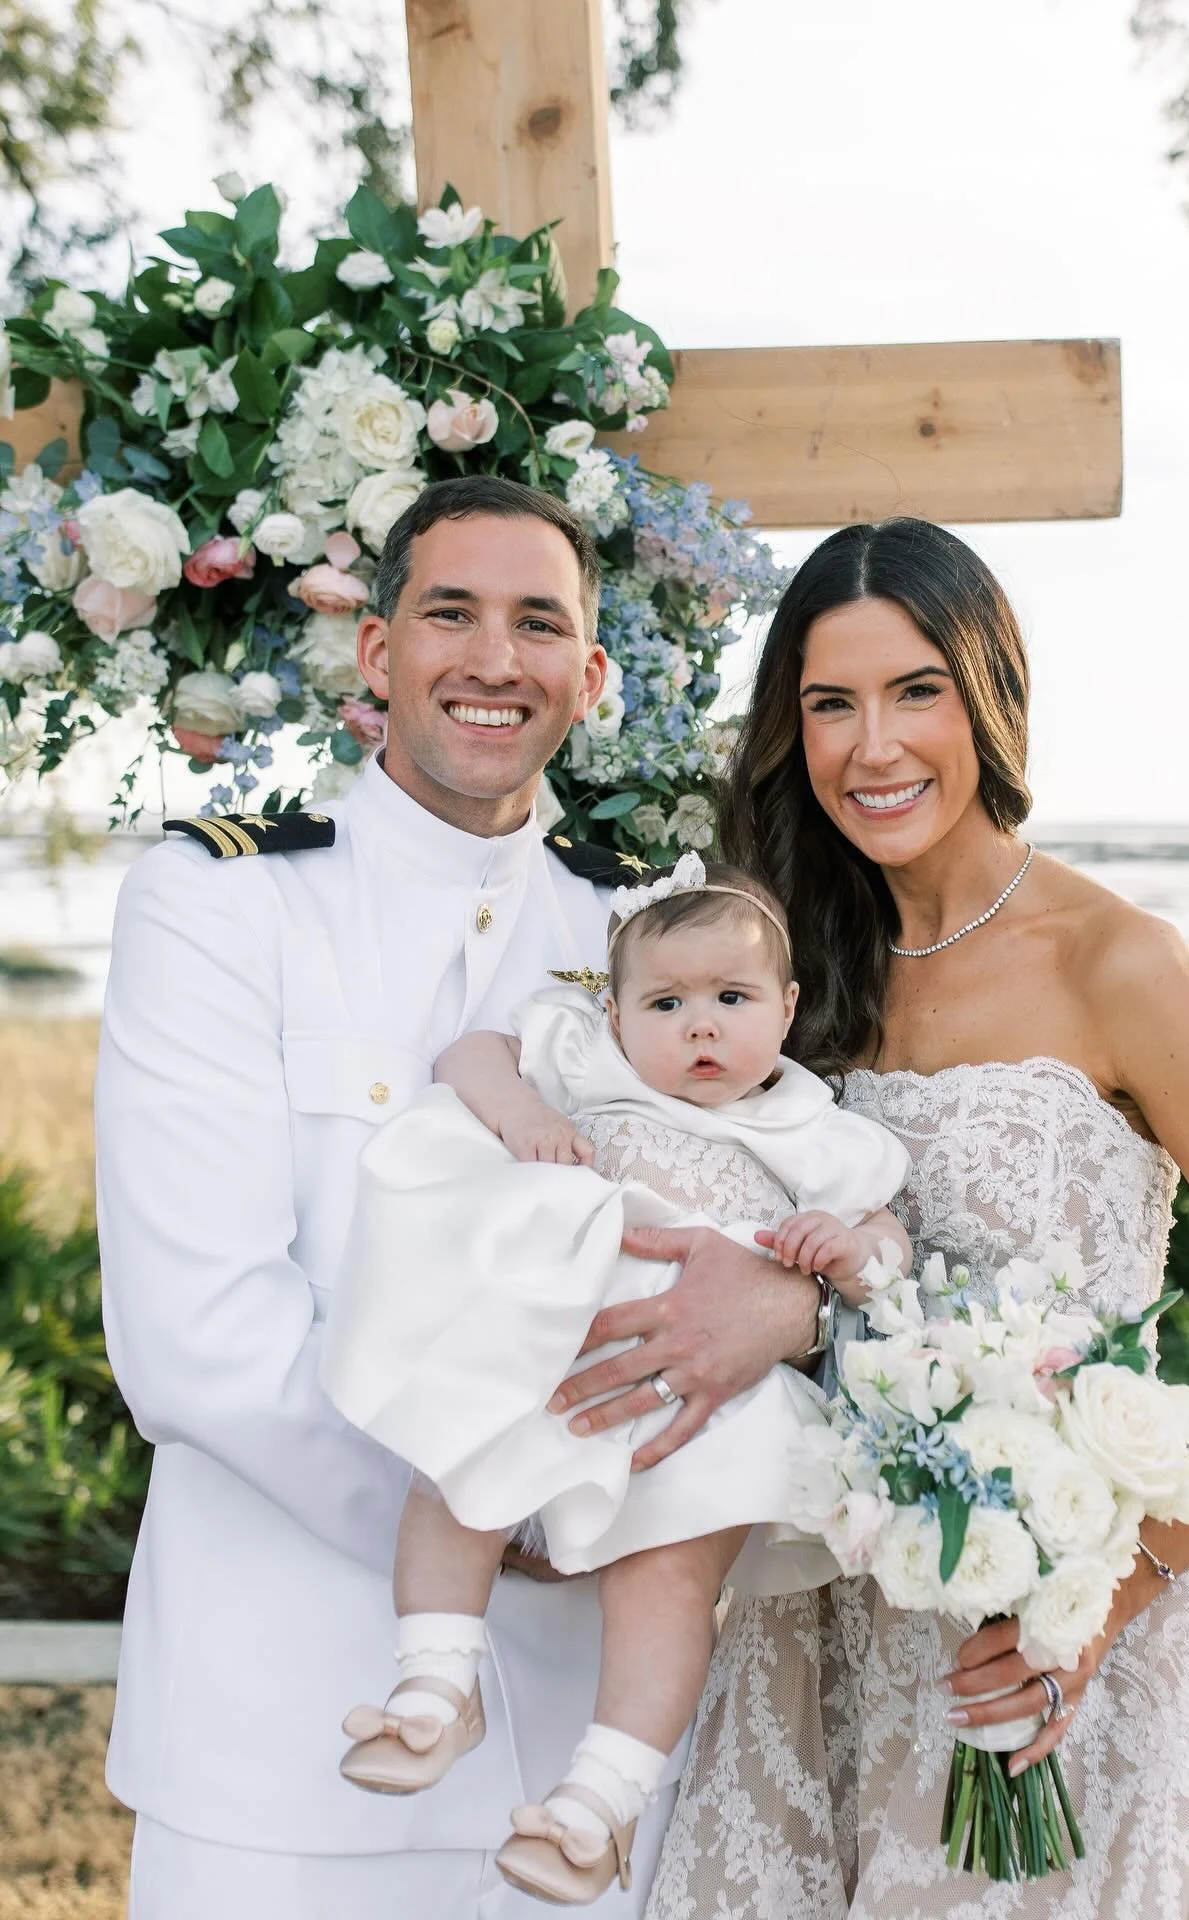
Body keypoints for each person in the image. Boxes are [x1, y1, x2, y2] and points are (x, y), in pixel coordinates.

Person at [641, 516, 1189, 1919]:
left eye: (915, 693)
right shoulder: (775, 970)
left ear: (989, 694)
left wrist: (1104, 1602)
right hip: (834, 1628)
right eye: (830, 704)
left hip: (1094, 1629)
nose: (872, 748)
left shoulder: (1120, 963)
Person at [95, 474, 827, 1920]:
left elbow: (766, 1191)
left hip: (588, 1759)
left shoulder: (648, 932)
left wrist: (791, 1303)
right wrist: (515, 1512)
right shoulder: (225, 904)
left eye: (539, 624)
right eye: (452, 614)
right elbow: (201, 1338)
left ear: (591, 674)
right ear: (378, 656)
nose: (496, 660)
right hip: (289, 1725)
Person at [320, 857, 910, 1903]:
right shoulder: (588, 1061)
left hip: (702, 1404)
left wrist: (845, 1241)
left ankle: (601, 1799)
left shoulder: (817, 1131)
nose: (699, 1029)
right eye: (665, 1002)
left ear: (787, 1006)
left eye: (731, 1001)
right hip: (553, 1351)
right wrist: (517, 1114)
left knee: (669, 1578)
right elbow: (472, 1051)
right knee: (457, 1465)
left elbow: (885, 1247)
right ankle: (433, 1678)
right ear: (616, 1010)